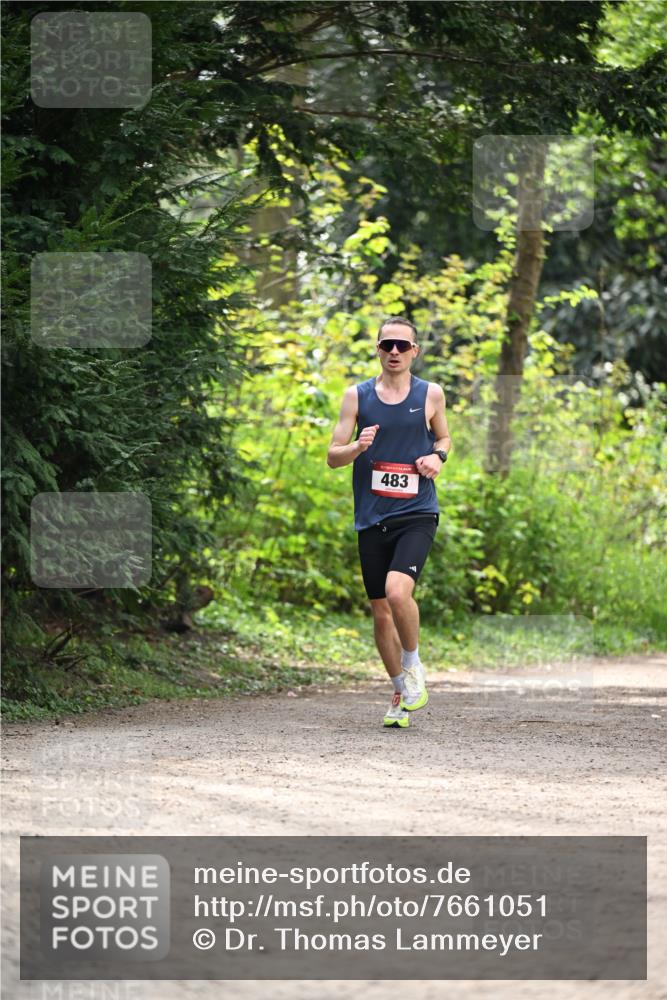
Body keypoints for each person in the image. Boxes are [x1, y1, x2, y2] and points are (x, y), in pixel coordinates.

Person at [327, 316, 452, 729]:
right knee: (381, 611)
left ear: (415, 351)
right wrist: (357, 446)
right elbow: (333, 455)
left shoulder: (431, 393)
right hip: (371, 516)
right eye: (387, 346)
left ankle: (414, 665)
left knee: (398, 593)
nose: (394, 352)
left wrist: (438, 457)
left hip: (417, 512)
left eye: (403, 345)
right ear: (377, 349)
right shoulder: (356, 396)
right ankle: (400, 690)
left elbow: (444, 438)